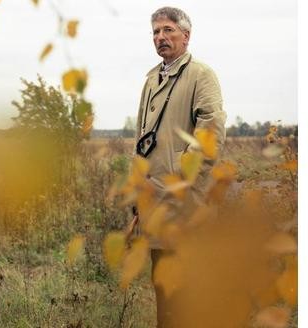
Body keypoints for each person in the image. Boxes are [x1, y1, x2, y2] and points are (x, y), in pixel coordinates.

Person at [133, 6, 226, 327]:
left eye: (168, 30)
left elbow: (210, 134)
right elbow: (142, 141)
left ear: (186, 35)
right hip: (153, 201)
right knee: (163, 286)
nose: (161, 37)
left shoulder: (201, 75)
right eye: (156, 32)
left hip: (183, 203)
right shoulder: (151, 79)